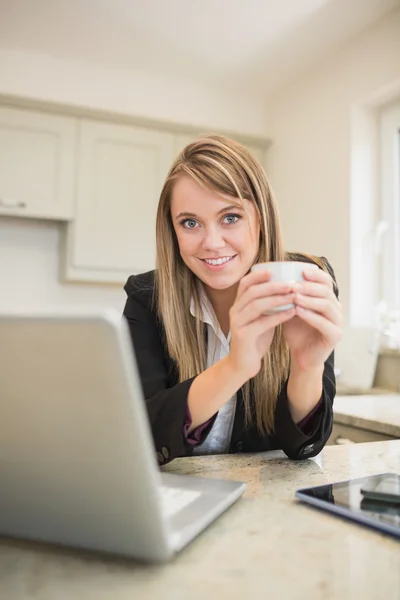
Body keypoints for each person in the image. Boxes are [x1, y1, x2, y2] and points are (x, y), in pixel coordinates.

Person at [123, 135, 342, 466]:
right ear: (172, 229)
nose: (212, 243)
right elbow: (141, 435)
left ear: (261, 218)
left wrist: (306, 367)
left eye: (230, 217)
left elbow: (303, 447)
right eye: (190, 222)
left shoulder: (305, 280)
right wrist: (236, 366)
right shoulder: (147, 297)